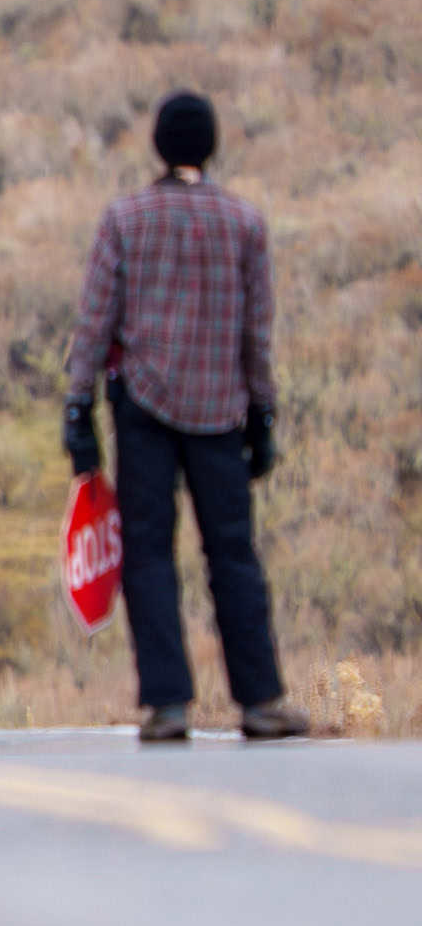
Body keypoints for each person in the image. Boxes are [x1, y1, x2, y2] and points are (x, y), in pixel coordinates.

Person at [62, 91, 308, 743]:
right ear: (211, 146)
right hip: (222, 411)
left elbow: (94, 321)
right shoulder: (244, 223)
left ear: (159, 145)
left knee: (148, 553)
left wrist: (78, 405)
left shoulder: (125, 218)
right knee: (233, 555)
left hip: (142, 407)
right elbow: (257, 332)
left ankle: (168, 705)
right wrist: (264, 415)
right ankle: (261, 701)